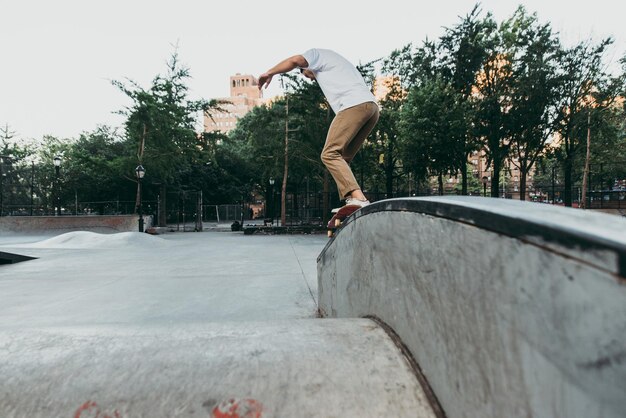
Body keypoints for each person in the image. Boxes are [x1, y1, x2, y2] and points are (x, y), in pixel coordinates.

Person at [258, 48, 379, 210]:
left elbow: (294, 61)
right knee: (343, 158)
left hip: (353, 106)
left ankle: (359, 198)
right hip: (371, 108)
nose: (309, 79)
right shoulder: (340, 65)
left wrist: (270, 72)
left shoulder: (315, 55)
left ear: (307, 66)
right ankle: (352, 200)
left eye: (306, 74)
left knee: (329, 153)